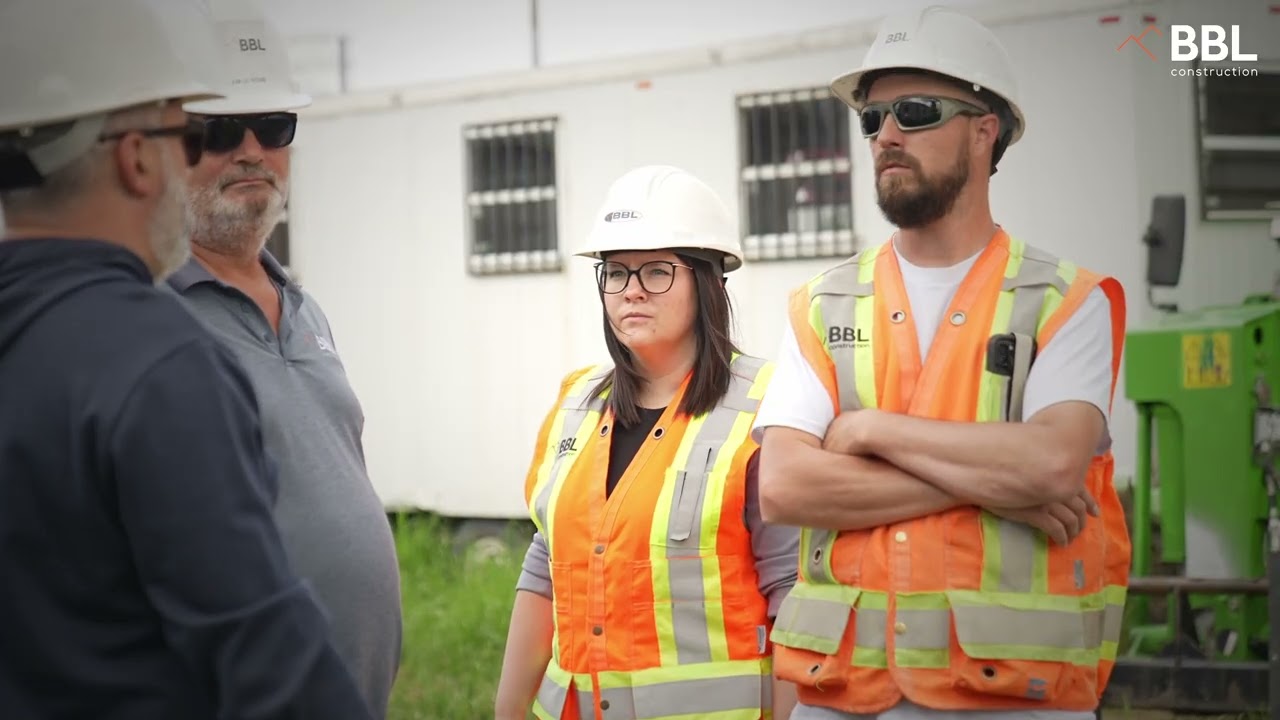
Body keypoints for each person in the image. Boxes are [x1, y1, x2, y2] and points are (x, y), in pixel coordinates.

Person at [753, 6, 1131, 720]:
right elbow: (784, 486)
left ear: (985, 133)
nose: (886, 136)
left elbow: (1051, 467)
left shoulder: (1065, 301)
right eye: (872, 118)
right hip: (844, 696)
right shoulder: (821, 305)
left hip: (1018, 698)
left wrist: (869, 432)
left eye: (915, 112)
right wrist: (992, 480)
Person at [0, 1, 375, 719]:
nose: (231, 153)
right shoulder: (158, 359)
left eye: (273, 128)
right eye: (191, 132)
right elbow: (265, 653)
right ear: (137, 156)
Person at [494, 165, 801, 720]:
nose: (631, 290)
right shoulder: (576, 402)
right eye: (615, 272)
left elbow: (792, 595)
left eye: (657, 271)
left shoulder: (766, 405)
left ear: (707, 282)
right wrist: (508, 711)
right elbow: (545, 565)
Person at [165, 4, 403, 717]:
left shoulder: (304, 308)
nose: (252, 151)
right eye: (218, 131)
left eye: (274, 128)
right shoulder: (149, 318)